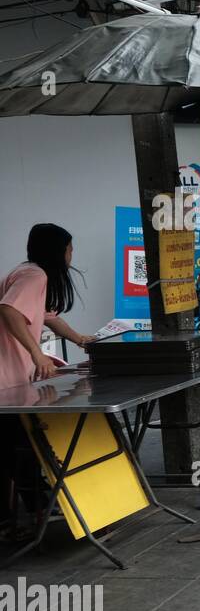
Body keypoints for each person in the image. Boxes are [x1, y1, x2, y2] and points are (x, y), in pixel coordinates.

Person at [1, 225, 94, 530]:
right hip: (7, 374)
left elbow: (49, 317)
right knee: (22, 442)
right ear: (58, 250)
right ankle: (28, 508)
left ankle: (27, 506)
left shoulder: (27, 272)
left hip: (13, 372)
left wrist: (80, 338)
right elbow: (10, 311)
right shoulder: (34, 276)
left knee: (20, 442)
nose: (71, 255)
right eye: (69, 248)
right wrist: (37, 354)